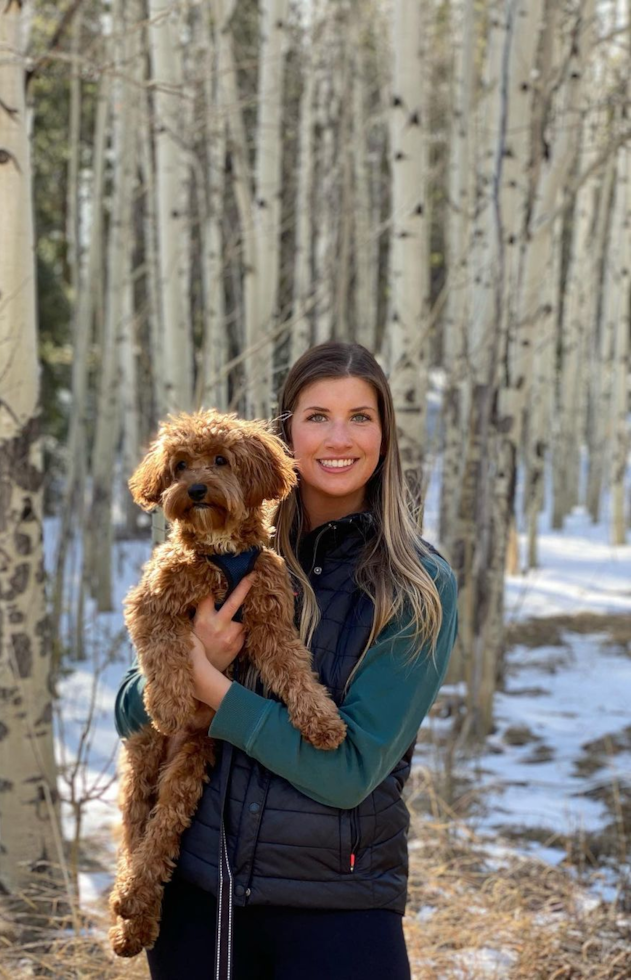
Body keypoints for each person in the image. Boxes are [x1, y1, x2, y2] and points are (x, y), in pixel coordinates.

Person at [114, 341, 458, 980]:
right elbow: (130, 712)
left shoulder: (416, 586)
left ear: (385, 434)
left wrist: (213, 688)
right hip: (198, 898)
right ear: (286, 433)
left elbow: (351, 772)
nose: (339, 437)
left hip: (339, 910)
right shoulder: (227, 555)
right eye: (316, 416)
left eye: (361, 416)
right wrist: (185, 665)